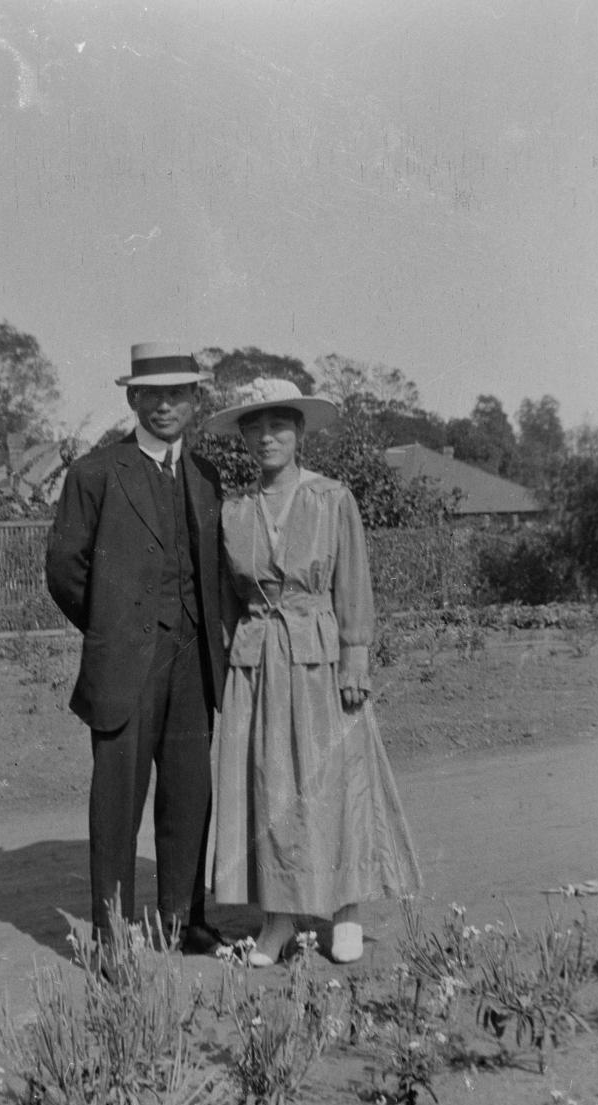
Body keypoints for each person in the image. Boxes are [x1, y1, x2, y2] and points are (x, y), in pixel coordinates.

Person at [204, 378, 421, 966]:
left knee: (334, 783)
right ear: (244, 438)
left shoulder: (332, 499)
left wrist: (356, 658)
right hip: (257, 666)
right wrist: (232, 661)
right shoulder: (234, 511)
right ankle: (276, 921)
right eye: (255, 427)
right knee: (268, 789)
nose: (266, 437)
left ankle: (344, 911)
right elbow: (226, 600)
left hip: (321, 662)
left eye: (279, 425)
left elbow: (353, 584)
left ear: (299, 433)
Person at [46, 342, 227, 954]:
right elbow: (64, 569)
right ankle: (111, 935)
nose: (166, 406)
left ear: (194, 401)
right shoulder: (94, 473)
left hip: (192, 662)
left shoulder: (205, 476)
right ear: (132, 398)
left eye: (178, 394)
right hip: (125, 663)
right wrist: (113, 628)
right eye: (154, 395)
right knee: (118, 801)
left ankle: (184, 918)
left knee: (188, 794)